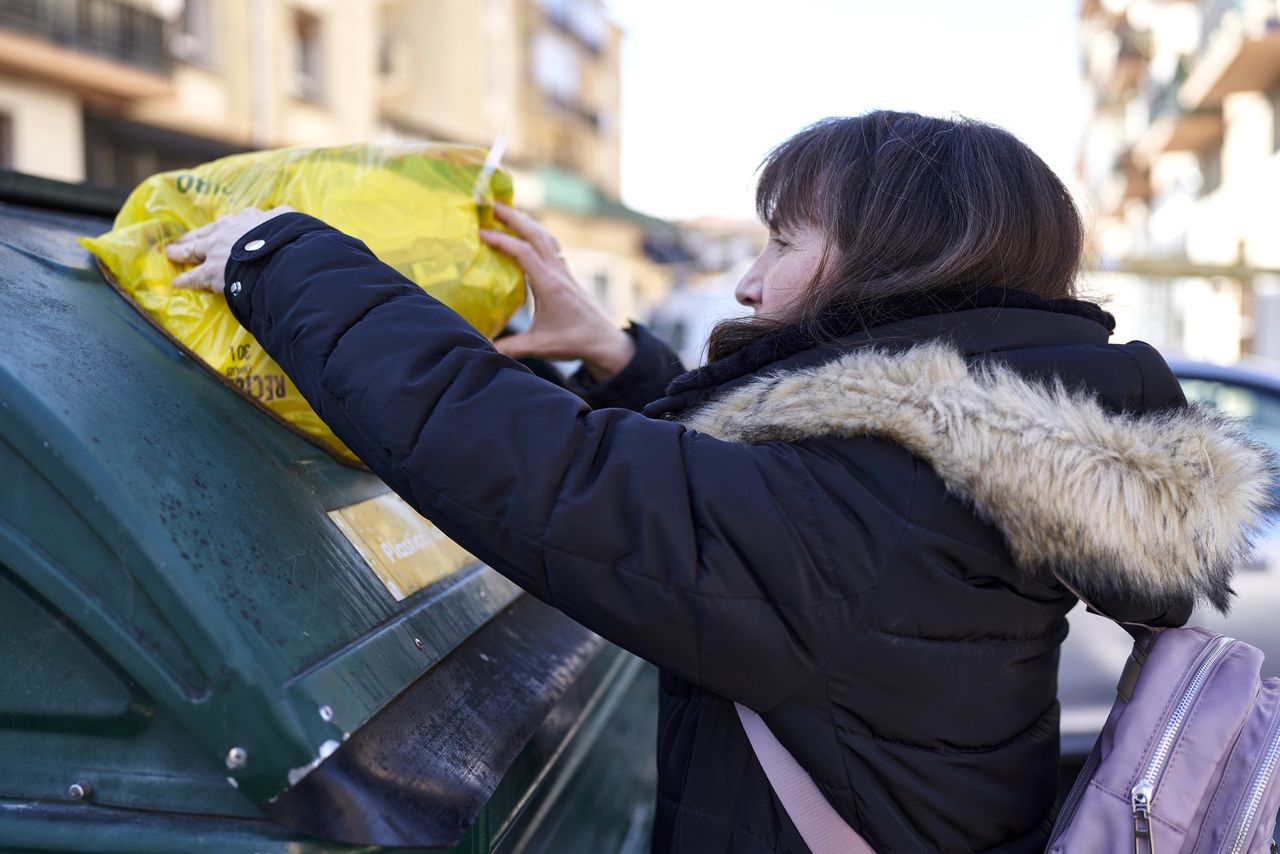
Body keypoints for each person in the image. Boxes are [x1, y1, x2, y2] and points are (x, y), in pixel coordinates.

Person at [165, 112, 1274, 853]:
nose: (747, 277)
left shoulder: (872, 512)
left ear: (899, 262)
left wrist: (284, 256)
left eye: (783, 239)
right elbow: (734, 496)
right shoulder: (959, 468)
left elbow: (544, 475)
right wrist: (618, 356)